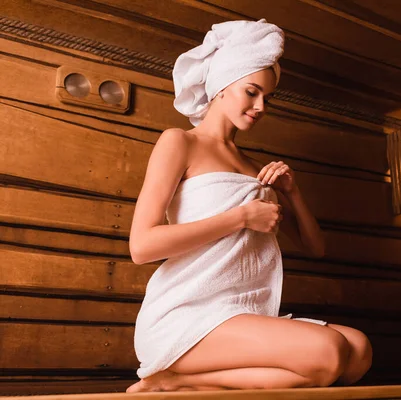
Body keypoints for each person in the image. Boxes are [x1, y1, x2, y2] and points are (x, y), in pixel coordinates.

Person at [126, 19, 372, 393]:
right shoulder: (179, 143)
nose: (260, 107)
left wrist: (293, 193)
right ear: (222, 86)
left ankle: (177, 382)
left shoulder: (257, 170)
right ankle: (170, 377)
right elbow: (141, 246)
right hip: (188, 315)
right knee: (328, 353)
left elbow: (316, 248)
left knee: (357, 351)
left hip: (243, 316)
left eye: (267, 99)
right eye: (251, 92)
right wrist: (240, 217)